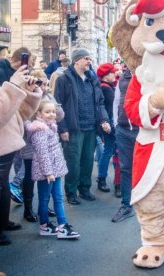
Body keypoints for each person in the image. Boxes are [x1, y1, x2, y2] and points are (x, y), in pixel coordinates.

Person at [54, 48, 111, 205]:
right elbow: (57, 105)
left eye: (89, 58)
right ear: (76, 60)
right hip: (73, 129)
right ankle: (71, 192)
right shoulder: (64, 79)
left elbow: (99, 103)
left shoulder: (92, 79)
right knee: (73, 162)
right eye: (86, 58)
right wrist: (63, 128)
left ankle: (84, 189)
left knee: (87, 161)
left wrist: (103, 120)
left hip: (91, 128)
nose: (89, 61)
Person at [0, 66, 42, 245]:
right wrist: (14, 86)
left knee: (3, 187)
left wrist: (28, 93)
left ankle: (0, 225)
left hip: (6, 147)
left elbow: (15, 113)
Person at [28, 100, 80, 239]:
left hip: (54, 170)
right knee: (45, 198)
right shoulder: (40, 130)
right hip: (47, 172)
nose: (51, 114)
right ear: (39, 113)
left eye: (53, 111)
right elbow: (42, 153)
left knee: (57, 197)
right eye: (47, 112)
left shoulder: (51, 126)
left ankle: (59, 225)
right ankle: (49, 225)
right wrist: (48, 172)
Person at [18, 70, 64, 222]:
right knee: (30, 178)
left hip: (47, 145)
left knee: (47, 178)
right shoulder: (26, 96)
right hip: (31, 143)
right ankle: (28, 207)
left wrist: (53, 107)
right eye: (40, 83)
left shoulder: (48, 97)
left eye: (45, 83)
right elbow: (22, 118)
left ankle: (44, 206)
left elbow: (60, 115)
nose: (43, 87)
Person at [111, 67, 136, 222]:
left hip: (144, 130)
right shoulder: (123, 77)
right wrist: (116, 124)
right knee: (126, 168)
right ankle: (126, 205)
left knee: (150, 168)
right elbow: (116, 101)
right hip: (124, 129)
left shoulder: (150, 72)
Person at [95, 63, 118, 193]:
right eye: (112, 72)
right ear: (106, 75)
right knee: (109, 151)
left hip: (109, 123)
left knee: (108, 151)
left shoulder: (105, 86)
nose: (114, 74)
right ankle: (102, 178)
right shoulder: (107, 88)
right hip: (110, 123)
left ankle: (102, 178)